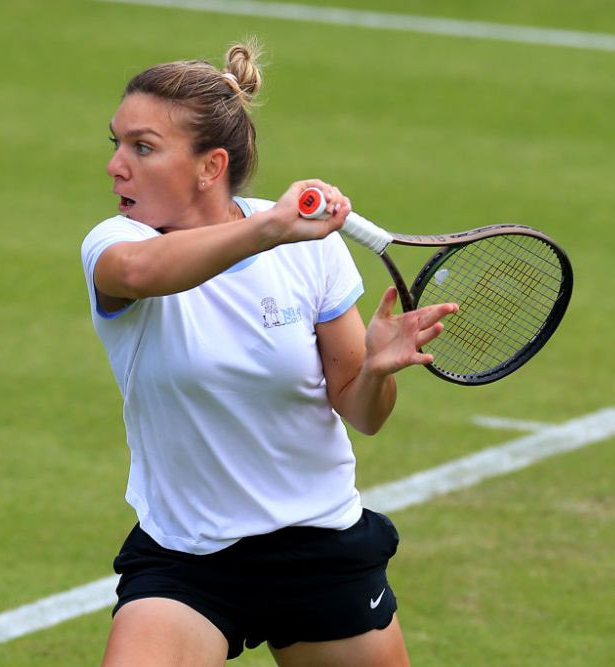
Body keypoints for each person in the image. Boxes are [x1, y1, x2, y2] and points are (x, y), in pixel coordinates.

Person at [81, 39, 458, 667]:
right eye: (116, 142)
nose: (116, 166)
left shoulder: (309, 247)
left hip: (320, 549)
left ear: (210, 166)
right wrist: (270, 229)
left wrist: (376, 369)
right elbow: (146, 272)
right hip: (188, 559)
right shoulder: (115, 243)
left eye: (142, 148)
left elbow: (362, 413)